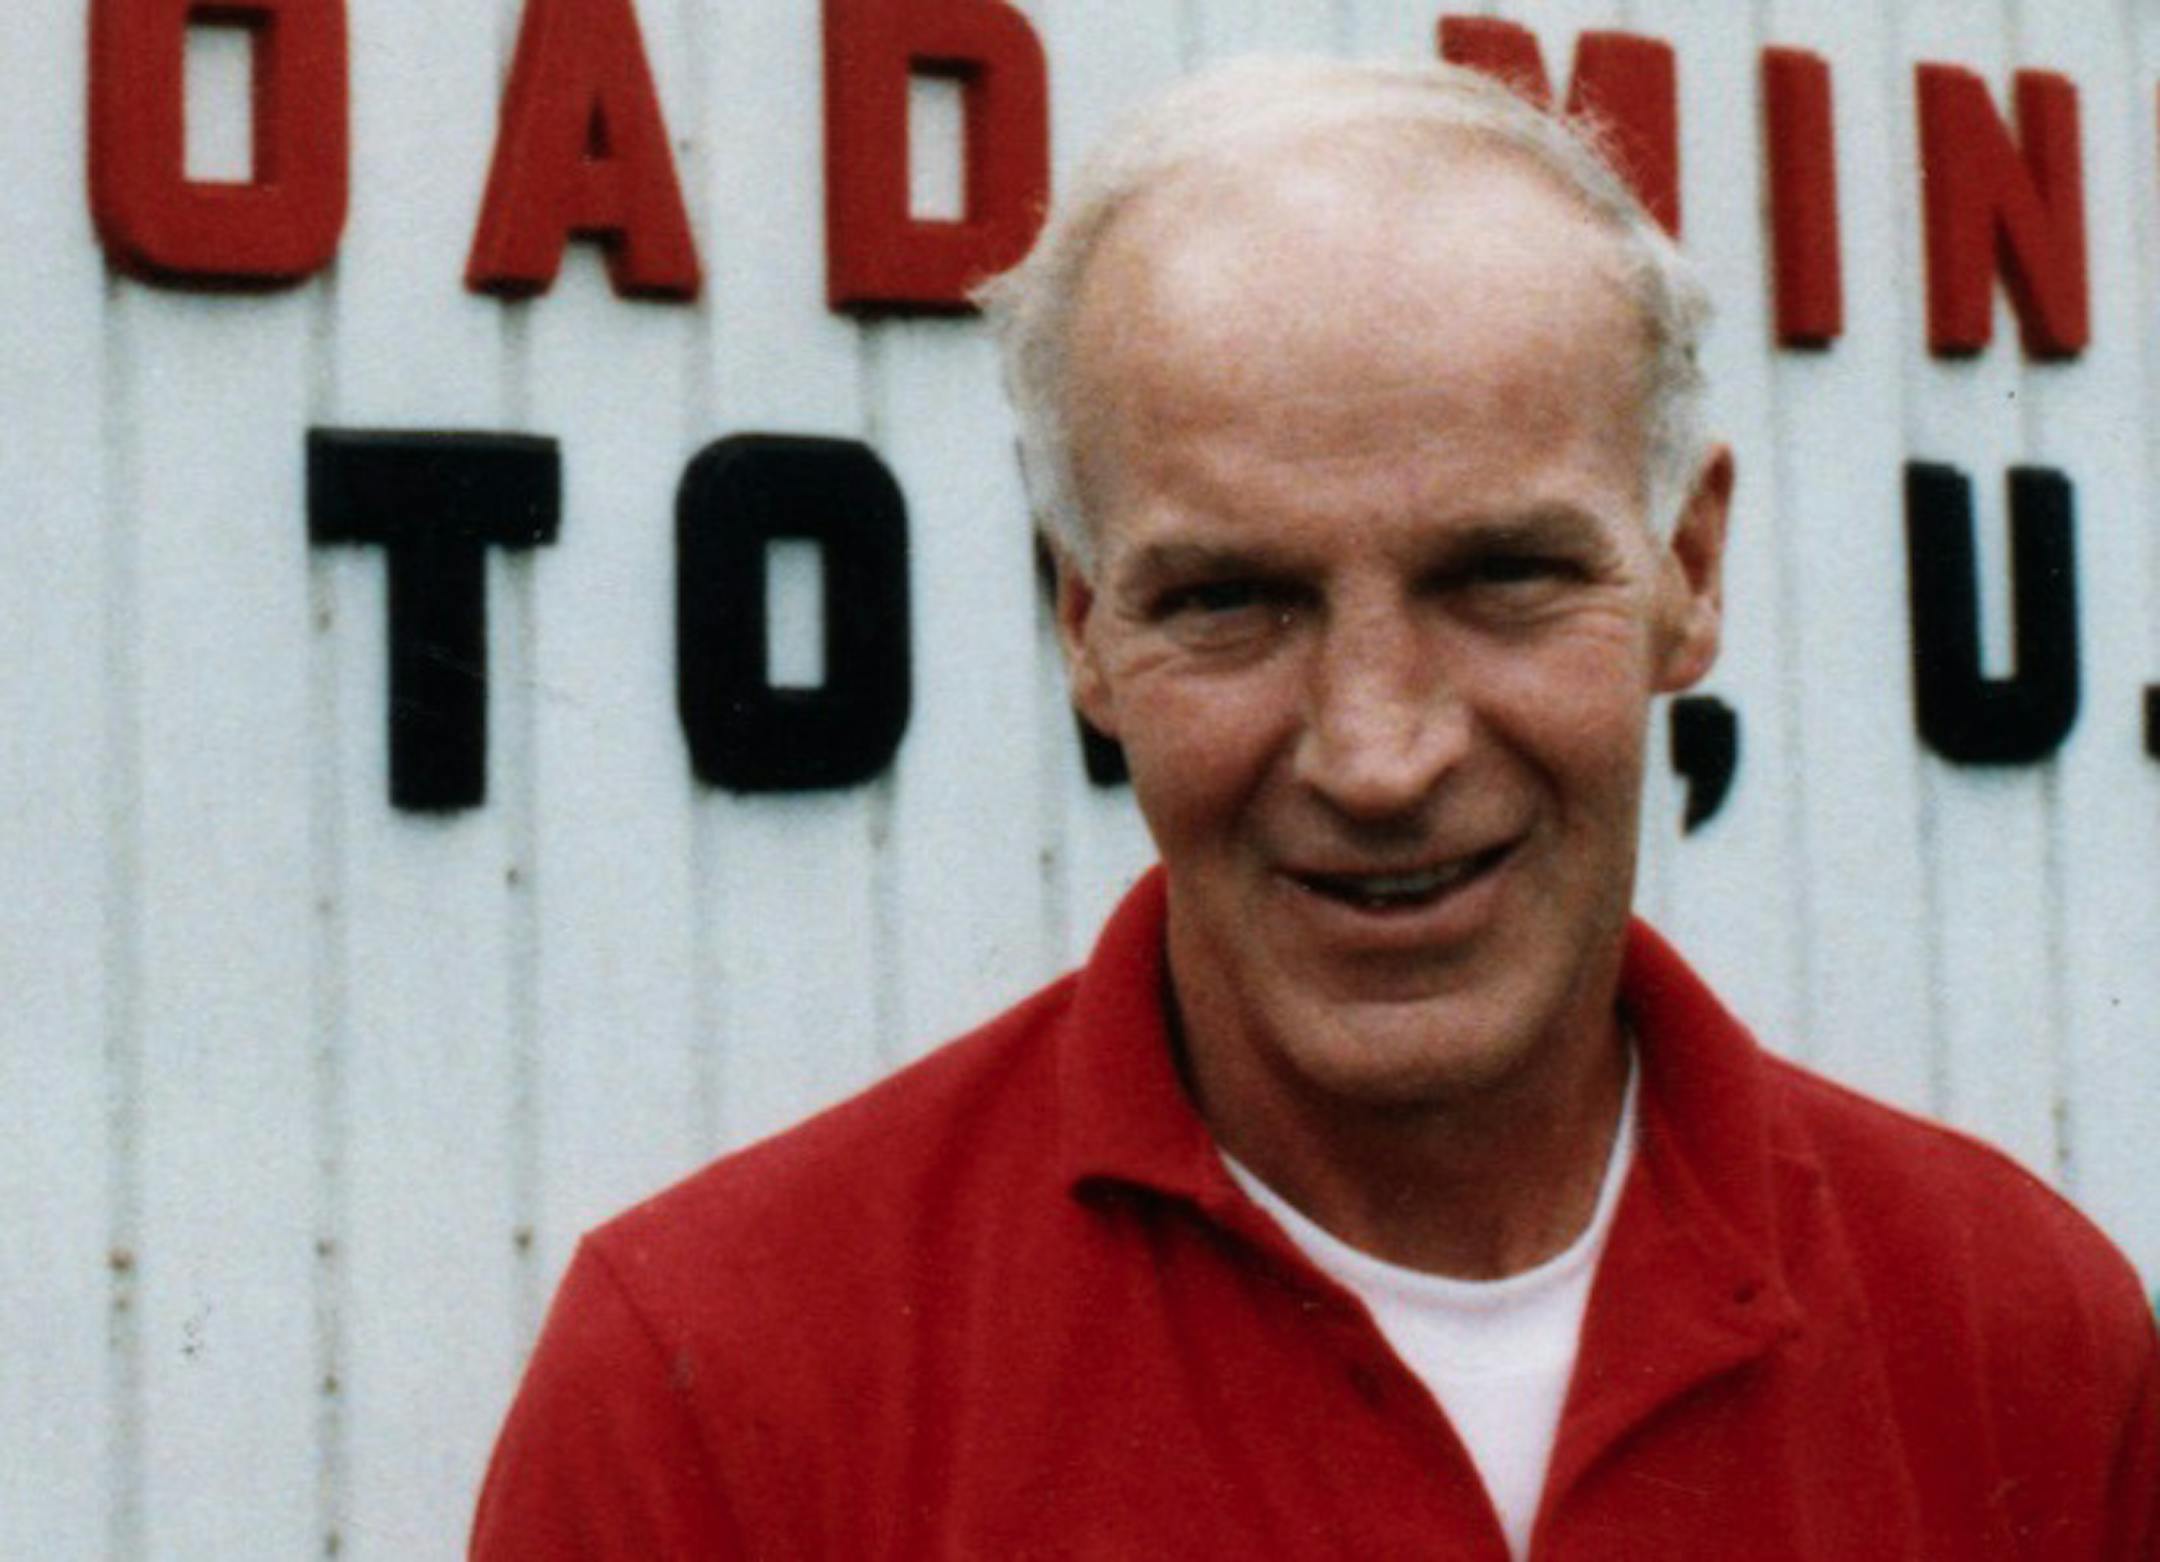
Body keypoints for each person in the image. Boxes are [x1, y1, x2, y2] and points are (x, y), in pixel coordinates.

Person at [471, 58, 2159, 1559]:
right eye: (1231, 600)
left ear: (1689, 571)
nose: (1378, 753)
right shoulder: (713, 1394)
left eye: (1501, 575)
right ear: (1084, 626)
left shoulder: (2023, 1331)